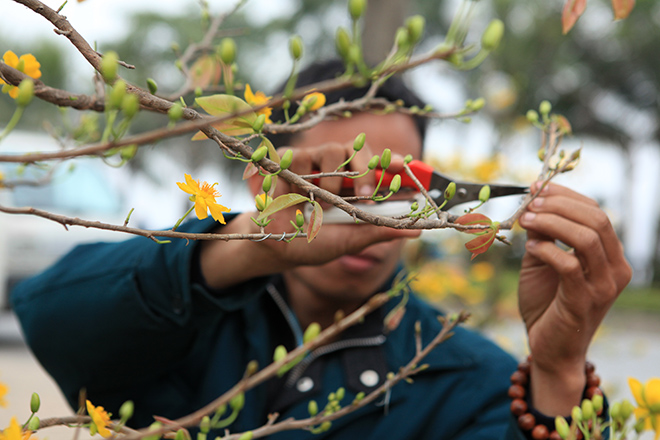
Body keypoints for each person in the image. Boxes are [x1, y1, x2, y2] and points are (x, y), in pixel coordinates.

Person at [11, 60, 632, 440]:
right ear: (267, 180)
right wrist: (246, 247)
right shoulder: (181, 323)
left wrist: (556, 372)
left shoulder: (472, 380)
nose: (366, 210)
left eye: (399, 187)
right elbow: (47, 315)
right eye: (334, 186)